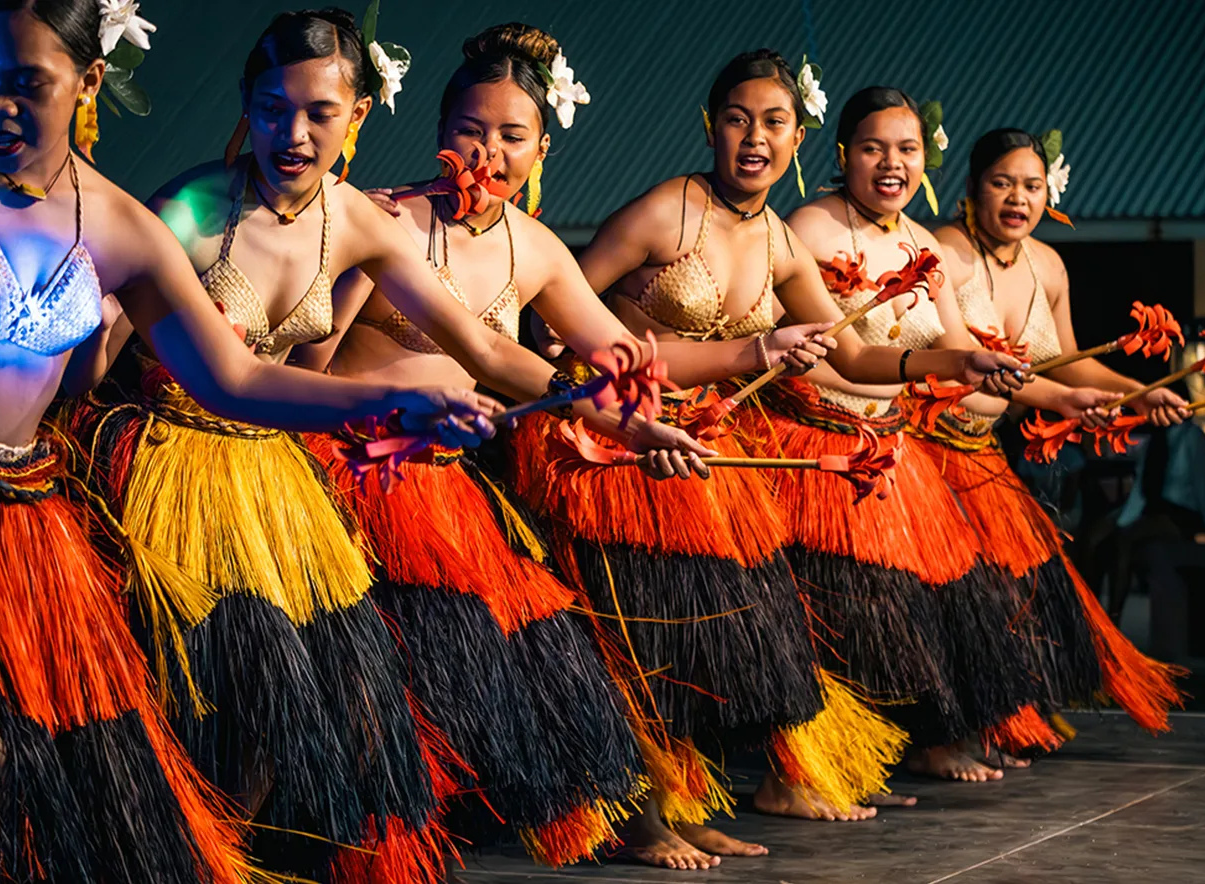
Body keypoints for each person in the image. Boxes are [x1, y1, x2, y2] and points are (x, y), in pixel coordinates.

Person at [0, 1, 500, 881]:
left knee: (21, 789)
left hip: (21, 520)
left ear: (88, 82)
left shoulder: (123, 228)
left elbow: (235, 378)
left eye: (29, 85)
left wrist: (383, 407)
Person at [66, 8, 716, 881]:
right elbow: (109, 339)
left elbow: (487, 351)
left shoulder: (361, 223)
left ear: (359, 115)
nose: (292, 135)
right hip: (170, 460)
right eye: (272, 108)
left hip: (266, 473)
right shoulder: (191, 204)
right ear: (248, 107)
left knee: (320, 690)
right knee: (227, 682)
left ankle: (226, 856)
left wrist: (629, 427)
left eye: (320, 114)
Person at [295, 22, 850, 868]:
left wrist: (649, 429)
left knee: (554, 648)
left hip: (449, 491)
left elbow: (596, 371)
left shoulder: (538, 250)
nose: (490, 152)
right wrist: (390, 396)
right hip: (353, 482)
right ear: (440, 133)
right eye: (471, 131)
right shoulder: (384, 223)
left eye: (513, 136)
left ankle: (621, 814)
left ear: (541, 147)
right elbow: (310, 369)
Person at [510, 53, 1024, 867]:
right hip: (617, 448)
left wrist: (951, 365)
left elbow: (853, 358)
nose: (755, 137)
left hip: (708, 459)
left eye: (775, 122)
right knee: (638, 636)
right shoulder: (667, 213)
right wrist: (736, 352)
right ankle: (636, 818)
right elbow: (551, 327)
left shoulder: (780, 241)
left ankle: (682, 801)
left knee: (705, 641)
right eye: (739, 118)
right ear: (711, 125)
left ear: (797, 136)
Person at [731, 85, 1057, 783]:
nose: (892, 163)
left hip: (891, 451)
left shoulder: (922, 246)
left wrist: (1058, 392)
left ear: (925, 160)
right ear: (844, 153)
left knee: (936, 602)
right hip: (816, 446)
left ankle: (925, 739)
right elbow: (799, 342)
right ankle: (809, 769)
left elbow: (958, 346)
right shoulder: (809, 230)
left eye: (907, 149)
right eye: (874, 147)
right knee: (840, 612)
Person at [925, 127, 1187, 740]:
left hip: (982, 452)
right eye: (1002, 183)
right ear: (970, 188)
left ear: (1049, 193)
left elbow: (1069, 361)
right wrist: (1064, 399)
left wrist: (1139, 392)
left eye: (1031, 186)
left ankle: (990, 722)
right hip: (926, 450)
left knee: (1020, 592)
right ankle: (942, 734)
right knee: (959, 598)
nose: (1018, 198)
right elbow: (961, 363)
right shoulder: (946, 251)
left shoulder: (1047, 264)